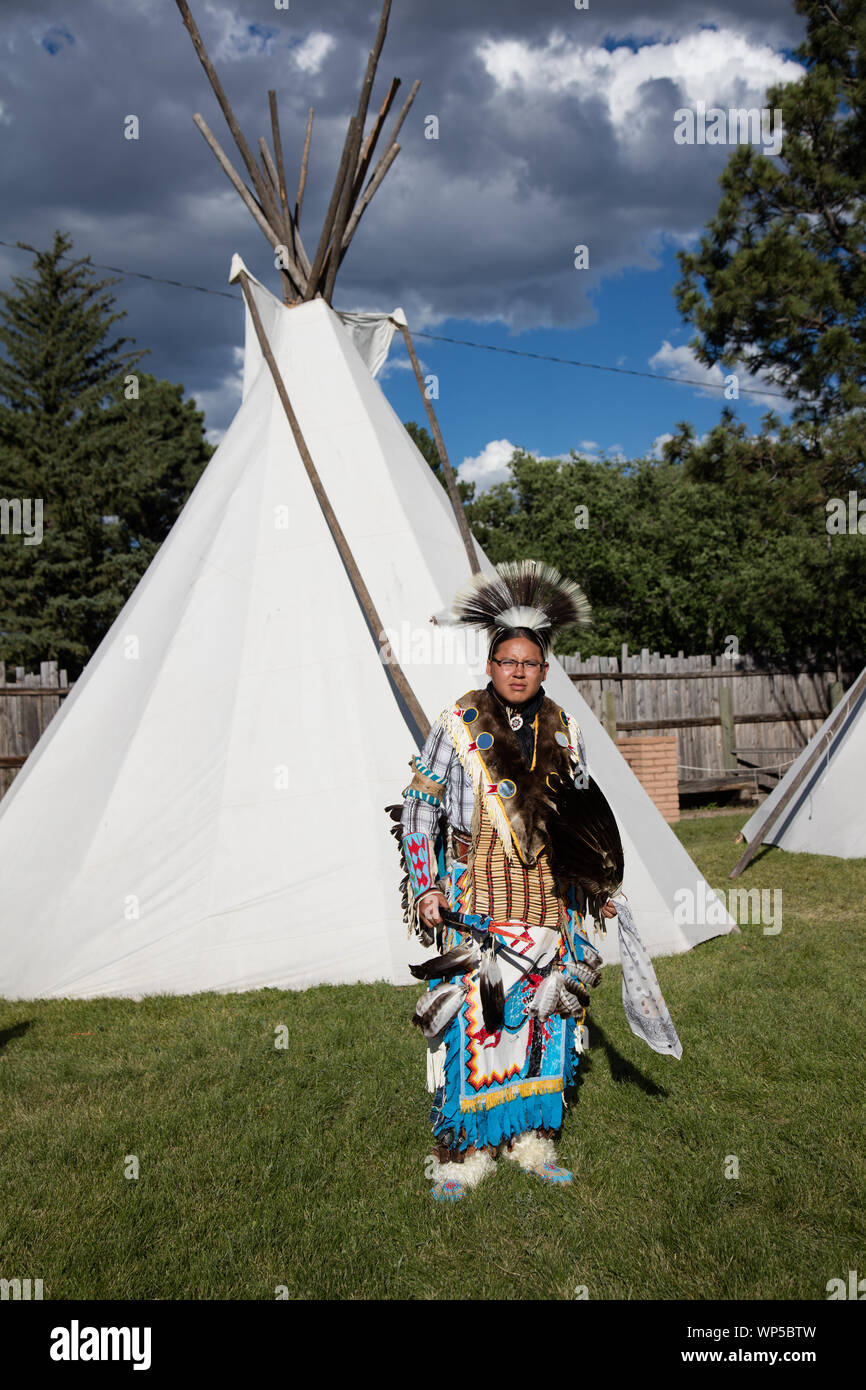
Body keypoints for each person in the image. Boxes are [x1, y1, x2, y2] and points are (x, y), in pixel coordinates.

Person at [393, 560, 621, 1201]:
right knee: (480, 1022)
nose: (518, 672)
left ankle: (531, 1137)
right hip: (476, 903)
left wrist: (599, 878)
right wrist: (427, 883)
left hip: (549, 905)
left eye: (531, 663)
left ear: (545, 669)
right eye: (506, 662)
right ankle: (465, 1152)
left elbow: (583, 815)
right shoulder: (458, 724)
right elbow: (420, 805)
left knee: (544, 1019)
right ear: (490, 665)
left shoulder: (567, 731)